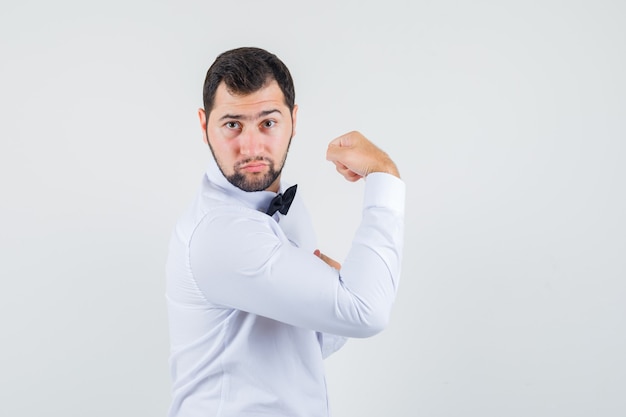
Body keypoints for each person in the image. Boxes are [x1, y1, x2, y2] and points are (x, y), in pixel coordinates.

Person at [165, 46, 405, 417]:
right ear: (204, 125)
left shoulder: (281, 205)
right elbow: (366, 312)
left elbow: (308, 341)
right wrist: (384, 176)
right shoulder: (220, 232)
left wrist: (331, 291)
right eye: (232, 124)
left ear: (293, 121)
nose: (251, 146)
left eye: (268, 123)